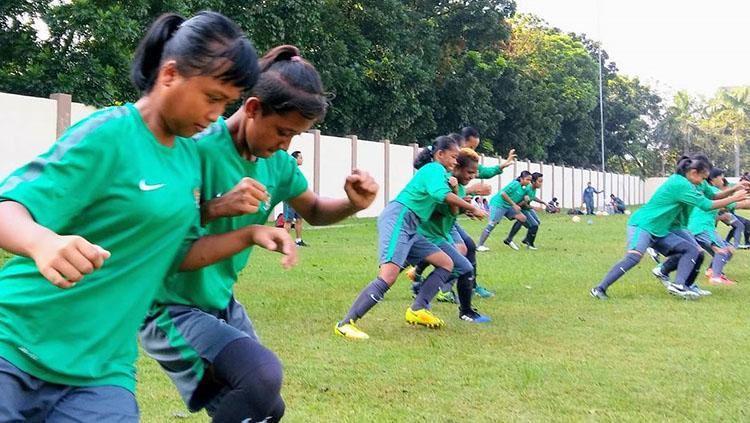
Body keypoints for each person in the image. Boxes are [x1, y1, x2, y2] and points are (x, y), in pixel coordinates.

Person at [0, 12, 298, 421]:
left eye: (226, 103)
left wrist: (244, 231)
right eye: (211, 97)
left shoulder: (190, 158)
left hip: (102, 372)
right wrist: (41, 242)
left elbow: (179, 255)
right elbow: (8, 208)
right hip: (14, 346)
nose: (216, 114)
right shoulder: (110, 134)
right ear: (171, 74)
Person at [140, 45, 378, 422]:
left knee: (268, 406)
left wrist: (353, 203)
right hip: (167, 306)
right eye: (282, 132)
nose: (285, 145)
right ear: (252, 108)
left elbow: (313, 210)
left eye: (295, 137)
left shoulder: (278, 165)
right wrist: (214, 207)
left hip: (220, 303)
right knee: (260, 377)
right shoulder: (197, 148)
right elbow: (158, 236)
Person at [334, 135, 487, 340]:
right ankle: (345, 323)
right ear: (439, 155)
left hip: (413, 226)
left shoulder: (445, 177)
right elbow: (440, 196)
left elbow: (448, 210)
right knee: (388, 275)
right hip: (400, 218)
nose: (455, 161)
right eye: (453, 156)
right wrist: (471, 207)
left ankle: (418, 308)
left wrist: (457, 195)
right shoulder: (434, 169)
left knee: (446, 263)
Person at [590, 155, 747, 300]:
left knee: (693, 250)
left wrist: (735, 189)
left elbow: (711, 196)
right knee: (634, 257)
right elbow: (707, 205)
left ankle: (682, 285)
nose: (703, 182)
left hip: (662, 229)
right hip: (643, 224)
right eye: (702, 178)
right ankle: (599, 289)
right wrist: (734, 197)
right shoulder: (680, 184)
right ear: (693, 172)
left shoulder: (692, 182)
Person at [414, 148, 491, 322]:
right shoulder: (445, 183)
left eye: (475, 173)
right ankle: (462, 310)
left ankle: (462, 310)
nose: (472, 176)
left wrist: (465, 209)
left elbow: (451, 212)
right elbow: (433, 211)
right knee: (388, 275)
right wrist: (467, 207)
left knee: (462, 265)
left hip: (437, 236)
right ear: (457, 168)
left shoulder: (459, 188)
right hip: (425, 236)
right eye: (469, 172)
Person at [476, 170, 533, 251]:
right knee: (492, 224)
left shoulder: (525, 189)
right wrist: (514, 205)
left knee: (522, 218)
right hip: (498, 204)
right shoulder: (515, 184)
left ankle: (509, 239)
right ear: (521, 179)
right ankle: (479, 245)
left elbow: (522, 200)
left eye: (530, 180)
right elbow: (503, 194)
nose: (529, 182)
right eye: (527, 179)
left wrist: (525, 200)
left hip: (508, 206)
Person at [506, 172, 545, 250]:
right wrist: (534, 208)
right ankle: (529, 244)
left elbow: (532, 197)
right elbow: (523, 204)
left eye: (542, 181)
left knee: (536, 222)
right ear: (533, 182)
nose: (541, 184)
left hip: (526, 209)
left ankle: (525, 239)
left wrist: (543, 202)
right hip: (522, 208)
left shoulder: (533, 189)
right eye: (539, 181)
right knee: (534, 225)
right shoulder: (527, 189)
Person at [283, 150, 308, 246]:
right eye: (300, 157)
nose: (302, 159)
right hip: (290, 199)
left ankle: (298, 240)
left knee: (299, 219)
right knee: (288, 220)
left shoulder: (297, 171)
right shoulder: (289, 170)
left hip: (298, 199)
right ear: (295, 159)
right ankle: (284, 242)